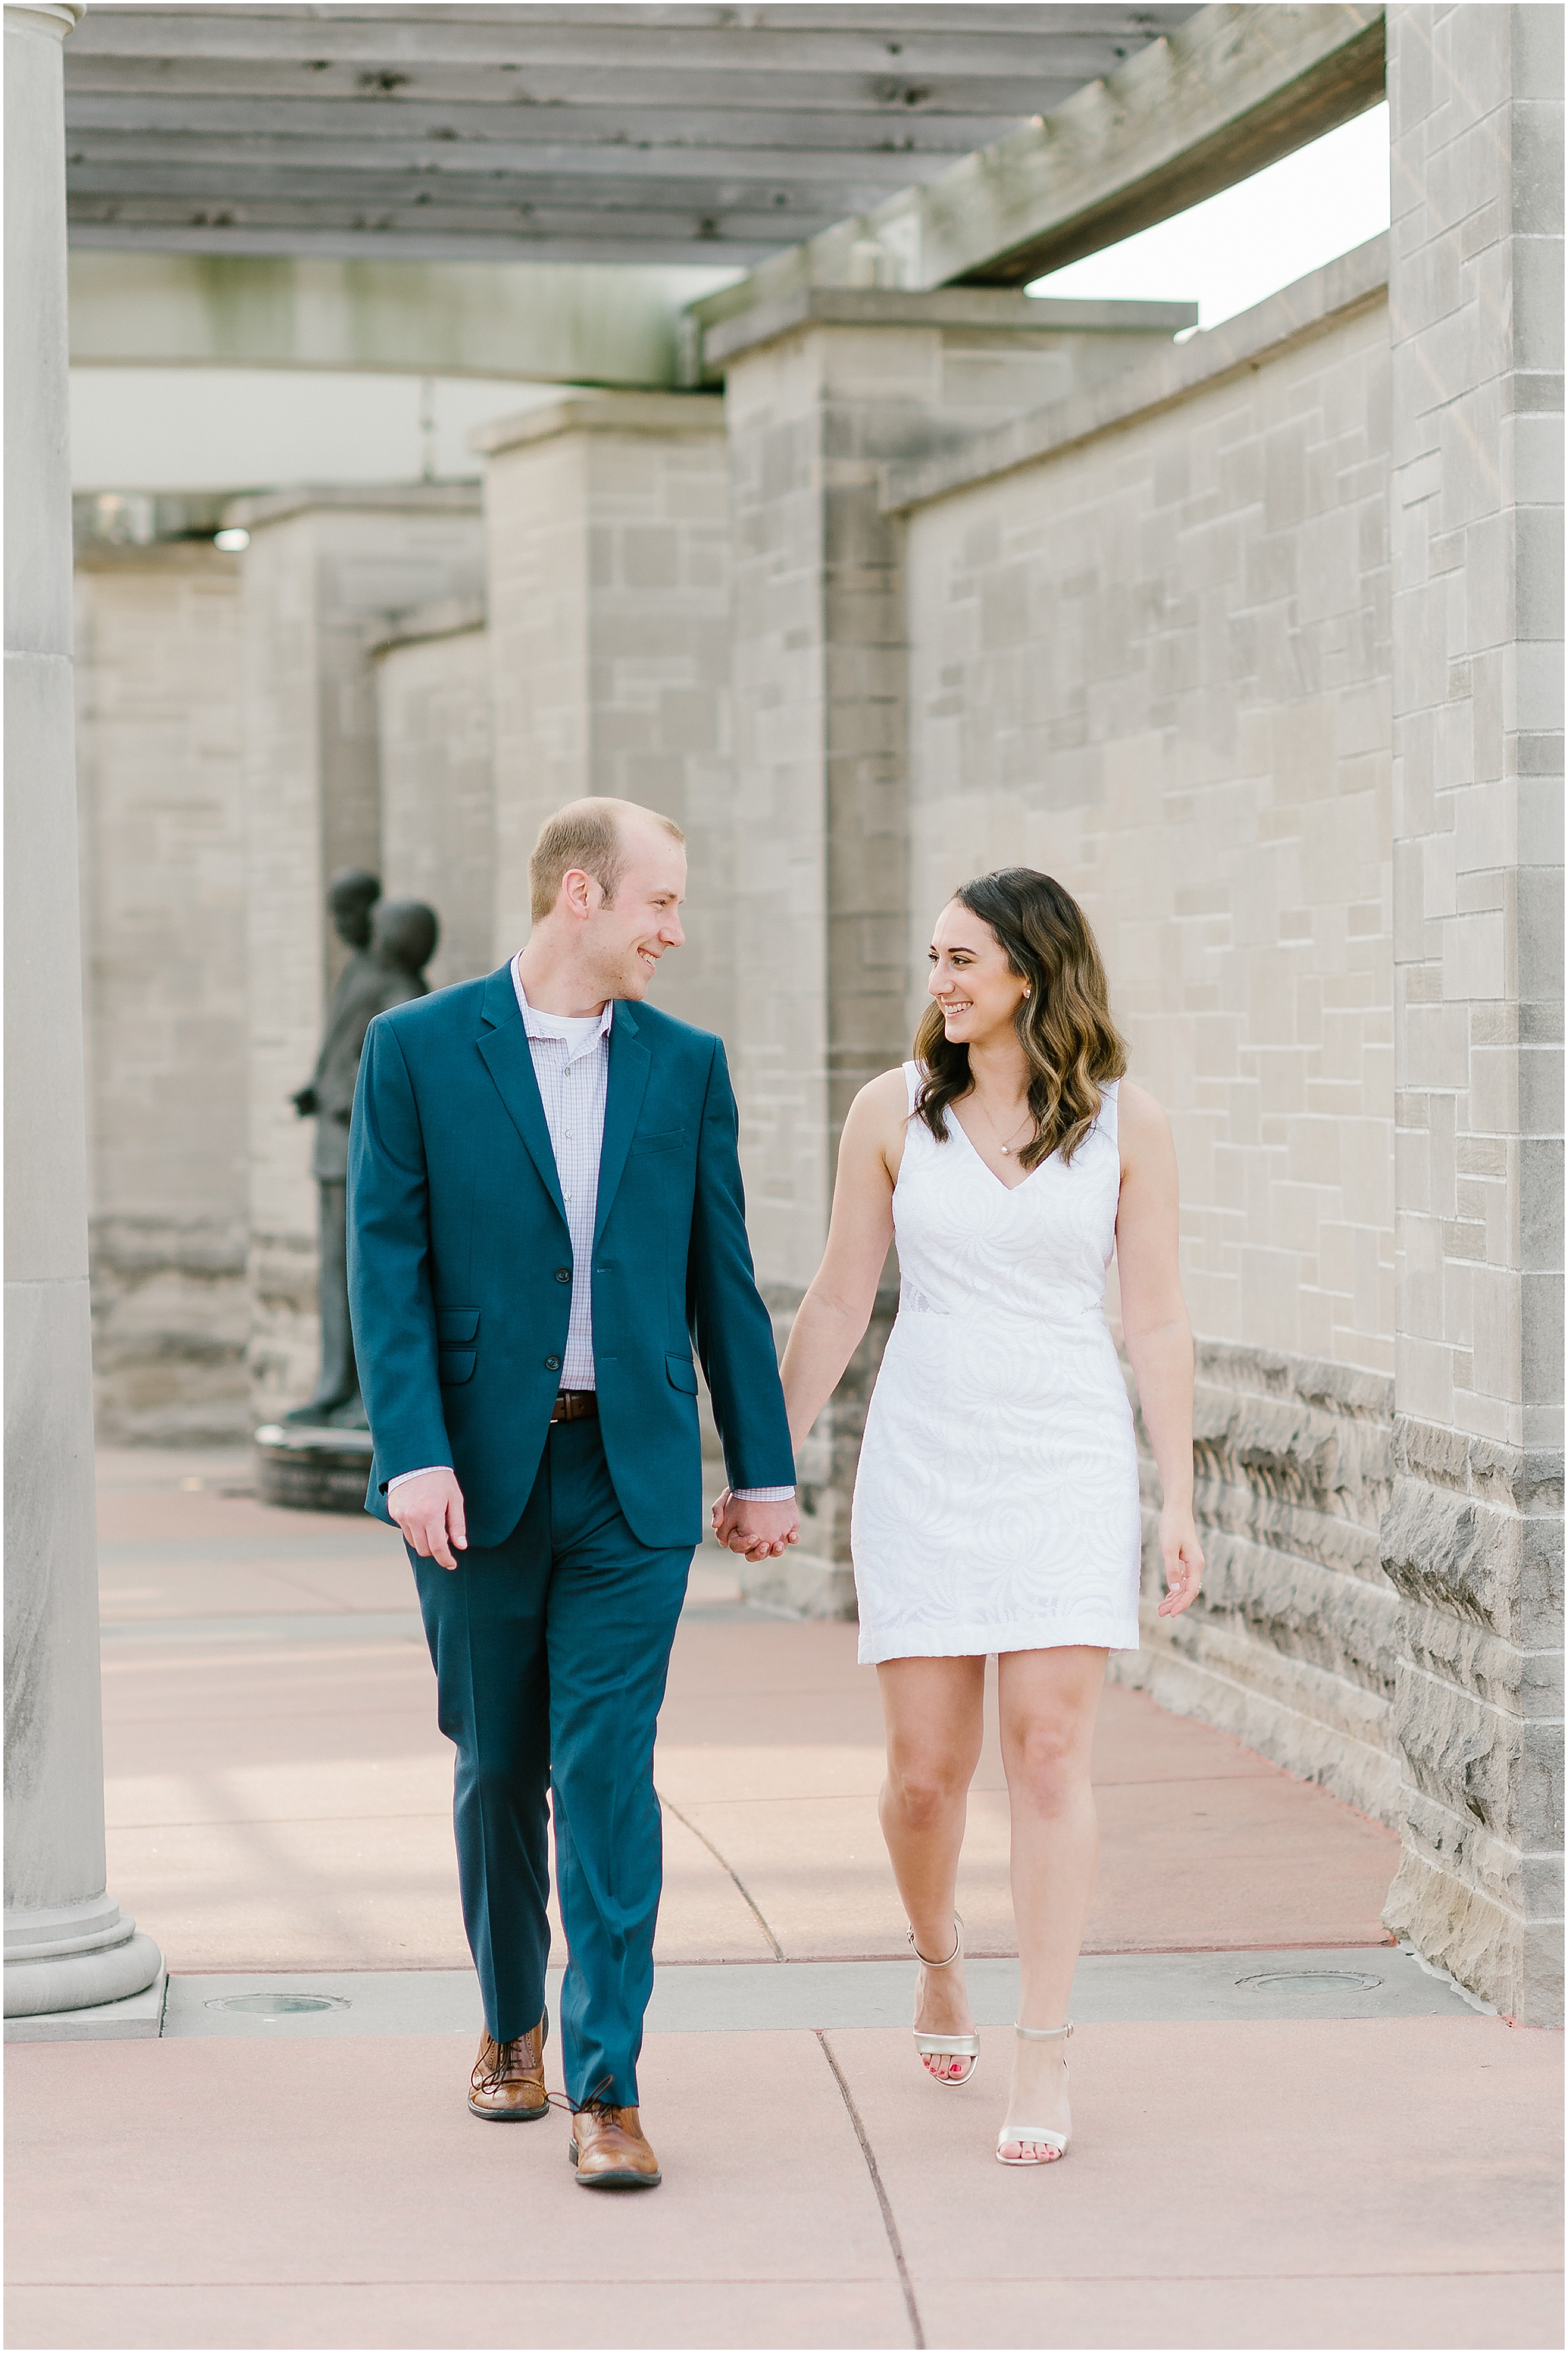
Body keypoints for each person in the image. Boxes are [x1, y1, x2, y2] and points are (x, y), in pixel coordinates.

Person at [347, 798, 798, 2191]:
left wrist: (762, 1460)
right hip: (475, 1478)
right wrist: (409, 1451)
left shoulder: (685, 1065)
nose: (676, 928)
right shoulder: (416, 1049)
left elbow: (717, 1274)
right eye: (660, 901)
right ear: (583, 895)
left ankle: (609, 2087)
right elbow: (385, 1268)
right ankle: (507, 2022)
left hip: (631, 1474)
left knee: (607, 1767)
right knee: (497, 1767)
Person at [756, 867, 1202, 2168]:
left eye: (963, 960)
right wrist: (768, 1461)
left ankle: (1045, 2049)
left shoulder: (1129, 1124)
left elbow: (1156, 1317)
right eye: (935, 957)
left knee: (1049, 1752)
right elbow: (839, 1300)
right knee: (921, 1778)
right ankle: (936, 1951)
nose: (939, 981)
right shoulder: (890, 1112)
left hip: (1065, 1452)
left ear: (1030, 972)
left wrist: (1179, 1496)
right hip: (925, 1457)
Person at [289, 878, 438, 1428]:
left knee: (366, 1274)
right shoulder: (359, 972)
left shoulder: (398, 988)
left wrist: (337, 1094)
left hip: (362, 1148)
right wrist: (319, 1084)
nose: (352, 929)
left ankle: (364, 1396)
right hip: (334, 1144)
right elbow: (343, 1052)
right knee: (335, 1270)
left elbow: (394, 1073)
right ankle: (335, 1384)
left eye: (366, 921)